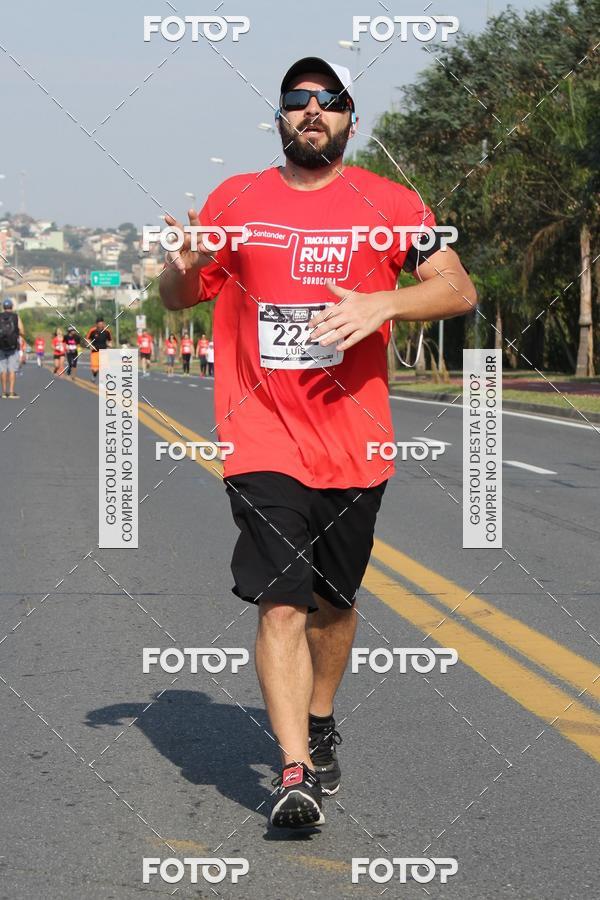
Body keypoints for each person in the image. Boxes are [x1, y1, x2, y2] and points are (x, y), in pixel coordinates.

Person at [159, 57, 476, 829]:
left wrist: (385, 303)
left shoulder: (392, 203)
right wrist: (180, 270)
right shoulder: (234, 199)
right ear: (279, 118)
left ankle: (323, 715)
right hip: (260, 434)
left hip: (355, 441)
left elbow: (458, 287)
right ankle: (293, 771)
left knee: (334, 605)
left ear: (348, 121)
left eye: (328, 102)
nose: (312, 111)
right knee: (280, 606)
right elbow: (180, 294)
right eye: (297, 101)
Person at [0, 298, 25, 399]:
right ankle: (11, 392)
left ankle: (4, 392)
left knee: (2, 370)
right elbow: (22, 331)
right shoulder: (16, 317)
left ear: (3, 307)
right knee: (12, 370)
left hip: (1, 347)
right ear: (12, 307)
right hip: (13, 347)